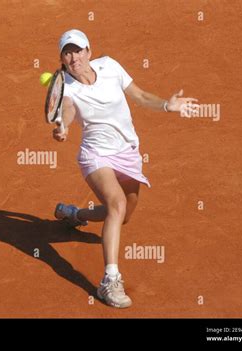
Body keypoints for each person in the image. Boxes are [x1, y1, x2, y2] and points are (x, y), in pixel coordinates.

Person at [53, 29, 198, 308]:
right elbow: (68, 112)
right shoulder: (67, 89)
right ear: (62, 58)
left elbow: (141, 96)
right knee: (116, 204)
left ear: (89, 52)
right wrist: (63, 128)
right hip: (95, 156)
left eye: (78, 50)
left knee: (123, 215)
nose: (74, 58)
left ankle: (75, 214)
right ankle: (110, 281)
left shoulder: (110, 66)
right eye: (67, 52)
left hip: (127, 152)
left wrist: (168, 105)